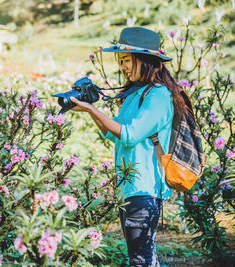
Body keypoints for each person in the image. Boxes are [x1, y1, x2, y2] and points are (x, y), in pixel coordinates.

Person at [70, 27, 186, 266]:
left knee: (140, 260)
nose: (122, 66)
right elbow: (115, 135)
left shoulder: (158, 96)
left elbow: (130, 135)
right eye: (120, 61)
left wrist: (92, 109)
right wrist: (89, 109)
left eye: (126, 60)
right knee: (144, 259)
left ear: (144, 60)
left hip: (144, 189)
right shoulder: (136, 94)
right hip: (129, 190)